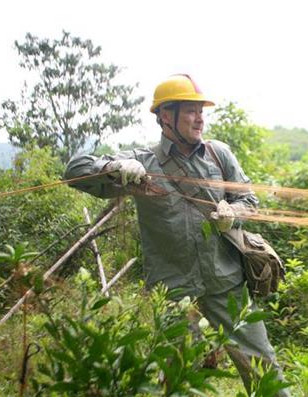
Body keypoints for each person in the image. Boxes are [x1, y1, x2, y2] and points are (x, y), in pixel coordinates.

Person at [64, 74, 289, 396]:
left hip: (225, 280)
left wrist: (233, 215)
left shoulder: (218, 155)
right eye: (191, 111)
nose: (200, 119)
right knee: (179, 372)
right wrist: (115, 167)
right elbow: (74, 171)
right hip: (172, 287)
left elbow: (249, 201)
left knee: (263, 366)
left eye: (202, 112)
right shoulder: (143, 161)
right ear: (166, 116)